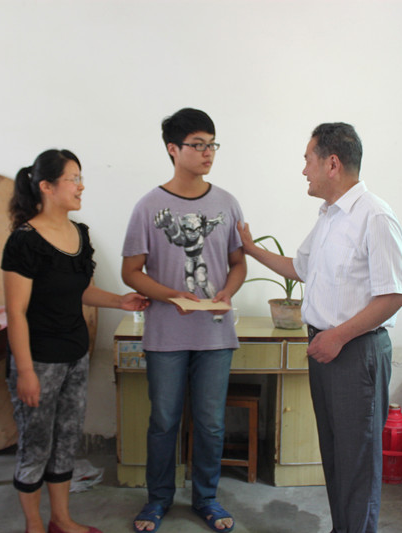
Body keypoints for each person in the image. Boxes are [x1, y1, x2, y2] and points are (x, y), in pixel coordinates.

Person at [237, 122, 402, 533]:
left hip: (355, 351)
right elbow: (299, 268)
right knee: (334, 456)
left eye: (307, 160)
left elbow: (395, 294)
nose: (304, 170)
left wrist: (337, 336)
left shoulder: (375, 216)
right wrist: (251, 249)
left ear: (332, 163)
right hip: (327, 350)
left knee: (357, 461)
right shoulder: (330, 217)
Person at [2, 149, 148, 533]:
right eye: (74, 179)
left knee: (66, 440)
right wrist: (26, 371)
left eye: (81, 178)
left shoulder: (79, 234)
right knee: (36, 445)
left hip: (75, 355)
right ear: (47, 187)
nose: (81, 186)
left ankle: (62, 519)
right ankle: (34, 525)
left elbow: (79, 290)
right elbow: (15, 312)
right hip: (38, 361)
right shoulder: (24, 241)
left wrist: (119, 301)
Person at [122, 108, 246, 533]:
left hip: (215, 334)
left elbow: (237, 263)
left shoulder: (226, 203)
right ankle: (158, 499)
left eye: (212, 144)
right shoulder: (148, 206)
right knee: (164, 422)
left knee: (211, 423)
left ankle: (206, 498)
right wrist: (172, 296)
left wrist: (227, 292)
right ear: (173, 149)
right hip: (166, 334)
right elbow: (131, 271)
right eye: (198, 144)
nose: (207, 152)